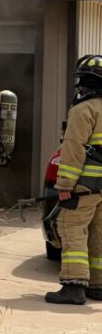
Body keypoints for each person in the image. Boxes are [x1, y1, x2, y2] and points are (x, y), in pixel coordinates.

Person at [47, 54, 102, 304]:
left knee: (71, 228)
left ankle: (73, 285)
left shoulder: (83, 110)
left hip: (83, 186)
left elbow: (73, 148)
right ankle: (97, 284)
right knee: (98, 233)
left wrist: (65, 185)